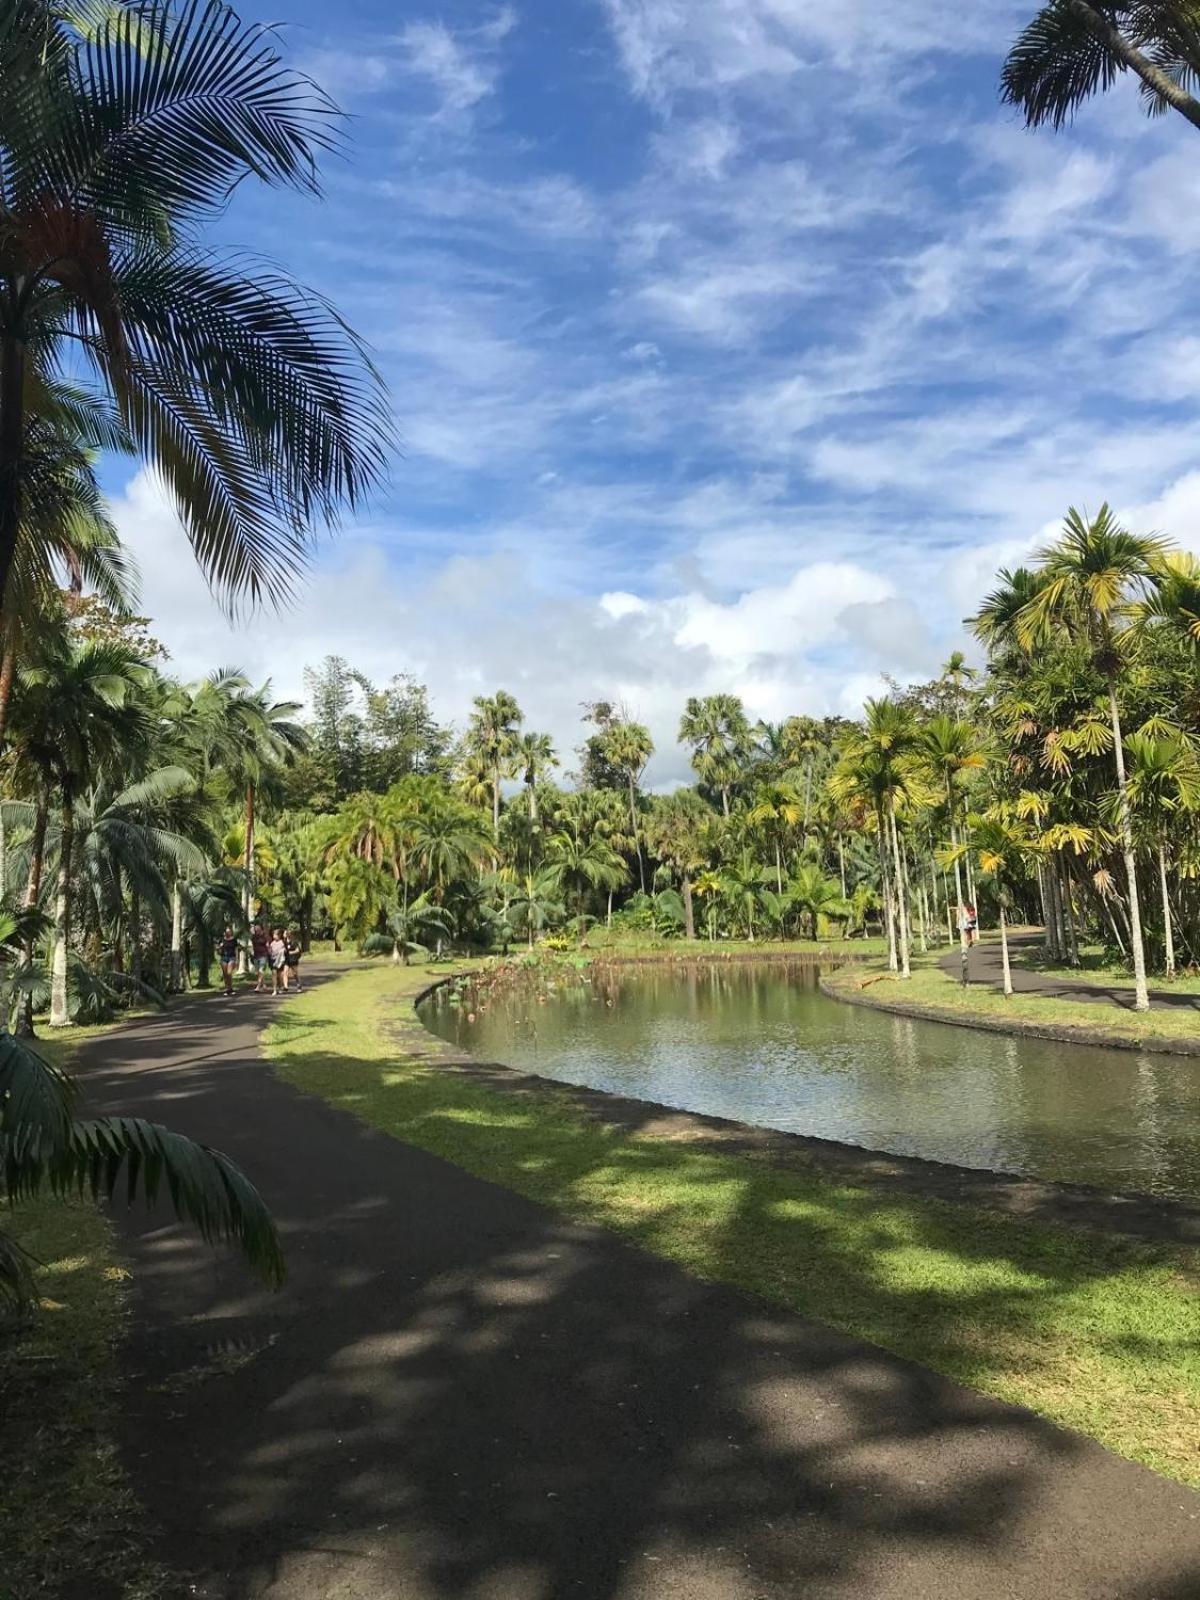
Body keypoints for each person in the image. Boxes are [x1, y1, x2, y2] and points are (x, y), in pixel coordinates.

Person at [218, 926, 239, 996]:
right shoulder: (222, 939)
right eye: (226, 931)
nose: (228, 933)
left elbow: (236, 949)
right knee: (225, 974)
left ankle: (231, 988)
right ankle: (227, 988)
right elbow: (218, 949)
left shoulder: (234, 940)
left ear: (231, 932)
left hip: (231, 957)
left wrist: (237, 959)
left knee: (229, 973)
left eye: (229, 931)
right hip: (223, 957)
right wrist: (220, 947)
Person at [268, 927, 287, 995]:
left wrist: (283, 951)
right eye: (273, 935)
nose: (274, 936)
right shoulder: (272, 943)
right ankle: (274, 990)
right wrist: (269, 950)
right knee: (274, 974)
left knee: (279, 975)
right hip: (273, 960)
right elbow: (270, 952)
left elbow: (285, 950)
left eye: (275, 935)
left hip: (279, 960)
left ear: (279, 935)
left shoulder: (282, 942)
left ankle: (280, 987)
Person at [251, 922, 269, 992]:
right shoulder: (254, 937)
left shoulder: (265, 936)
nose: (256, 929)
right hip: (256, 955)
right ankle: (264, 985)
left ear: (261, 928)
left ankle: (258, 987)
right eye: (255, 928)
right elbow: (252, 945)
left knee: (261, 971)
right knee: (258, 972)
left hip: (263, 955)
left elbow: (267, 944)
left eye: (258, 928)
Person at [283, 928, 302, 992]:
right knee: (285, 972)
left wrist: (291, 952)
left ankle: (299, 985)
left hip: (293, 959)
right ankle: (286, 987)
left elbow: (297, 950)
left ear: (288, 934)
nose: (284, 934)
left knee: (295, 974)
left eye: (285, 933)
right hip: (287, 959)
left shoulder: (294, 941)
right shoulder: (284, 941)